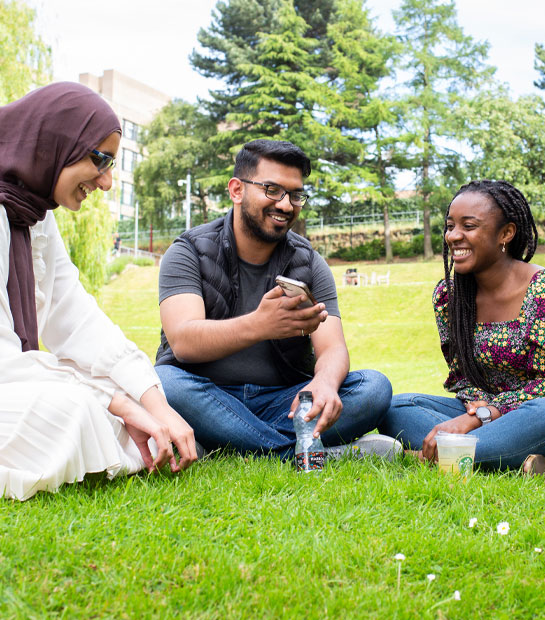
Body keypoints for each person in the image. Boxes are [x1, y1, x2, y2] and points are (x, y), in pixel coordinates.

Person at [0, 82, 196, 500]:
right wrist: (119, 405)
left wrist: (153, 405)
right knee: (77, 409)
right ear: (54, 144)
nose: (107, 182)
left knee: (111, 407)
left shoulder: (36, 218)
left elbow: (77, 321)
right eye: (99, 159)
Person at [154, 140, 398, 460]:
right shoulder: (189, 252)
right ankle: (304, 452)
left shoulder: (310, 263)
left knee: (373, 387)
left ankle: (225, 445)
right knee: (165, 382)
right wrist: (260, 325)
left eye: (295, 195)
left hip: (283, 402)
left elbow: (333, 348)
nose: (285, 205)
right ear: (237, 190)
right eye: (272, 189)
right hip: (205, 394)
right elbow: (183, 341)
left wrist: (324, 381)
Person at [379, 180, 545, 472]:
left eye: (469, 226)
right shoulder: (450, 296)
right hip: (484, 415)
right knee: (396, 408)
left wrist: (484, 416)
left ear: (506, 233)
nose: (454, 236)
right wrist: (476, 409)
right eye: (450, 226)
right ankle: (511, 458)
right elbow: (461, 377)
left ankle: (439, 454)